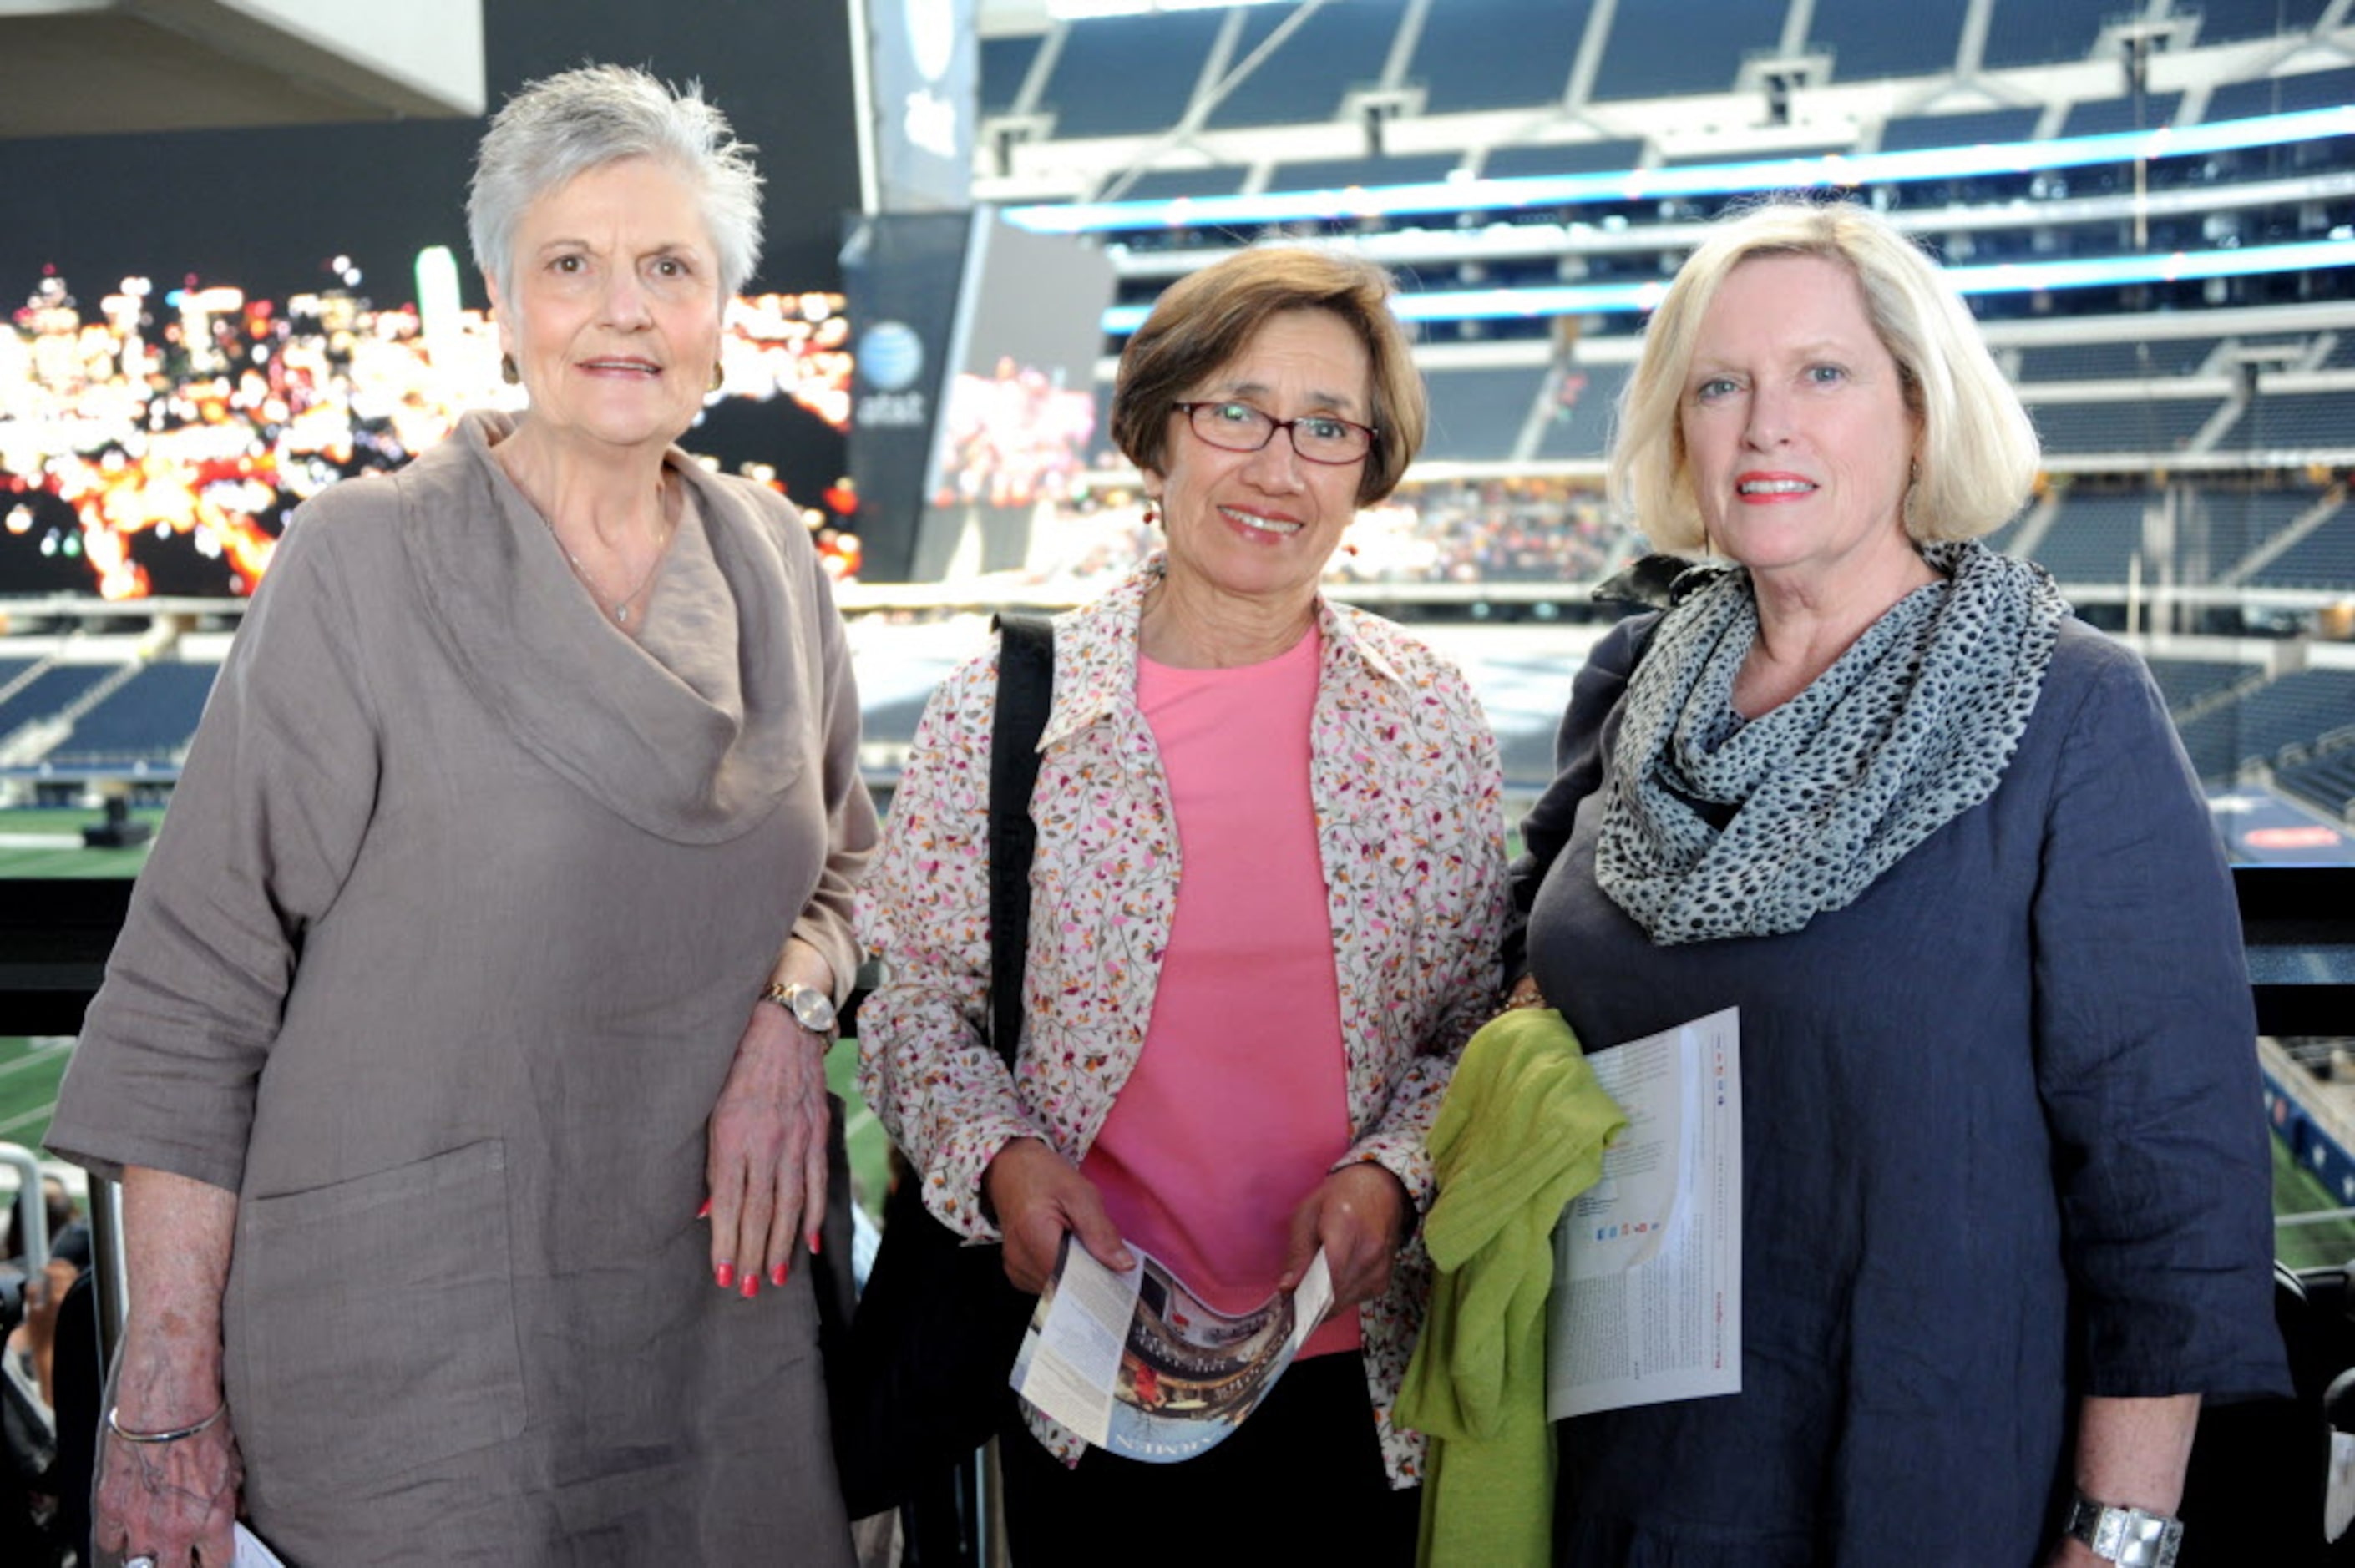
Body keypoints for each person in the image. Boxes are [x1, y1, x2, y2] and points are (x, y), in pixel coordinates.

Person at [47, 65, 874, 1566]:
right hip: (411, 1353)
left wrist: (793, 1017)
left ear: (720, 314)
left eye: (668, 269)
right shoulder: (360, 562)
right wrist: (161, 1394)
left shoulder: (774, 561)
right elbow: (193, 990)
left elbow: (853, 872)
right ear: (504, 302)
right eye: (572, 265)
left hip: (714, 1330)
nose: (623, 310)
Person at [1502, 200, 2287, 1565]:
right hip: (1617, 1455)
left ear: (1919, 415)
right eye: (1721, 383)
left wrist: (2117, 1538)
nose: (1765, 425)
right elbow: (1534, 963)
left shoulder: (2071, 710)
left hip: (1910, 1471)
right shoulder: (1635, 680)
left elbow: (2166, 1190)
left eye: (1824, 372)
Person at [858, 245, 1507, 1565]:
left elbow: (1478, 1028)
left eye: (1327, 427)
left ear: (1367, 466)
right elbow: (912, 1000)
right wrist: (1001, 1158)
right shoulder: (1011, 707)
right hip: (1085, 1381)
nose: (1278, 466)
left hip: (1358, 1387)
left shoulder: (1429, 716)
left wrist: (1397, 1166)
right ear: (1158, 433)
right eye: (1235, 411)